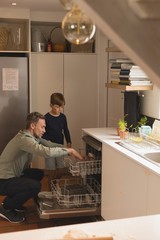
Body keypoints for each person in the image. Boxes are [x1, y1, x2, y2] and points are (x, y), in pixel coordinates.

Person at [0, 112, 83, 224]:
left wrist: (69, 149)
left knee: (37, 174)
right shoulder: (24, 139)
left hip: (12, 176)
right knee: (35, 186)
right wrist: (70, 151)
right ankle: (6, 208)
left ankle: (13, 202)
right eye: (42, 127)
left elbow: (49, 144)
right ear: (32, 126)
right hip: (3, 180)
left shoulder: (32, 137)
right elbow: (46, 151)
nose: (44, 130)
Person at [42, 93, 72, 179]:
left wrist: (69, 142)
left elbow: (66, 130)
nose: (60, 109)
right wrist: (48, 142)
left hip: (60, 146)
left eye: (61, 107)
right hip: (49, 148)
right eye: (57, 107)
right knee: (51, 169)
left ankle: (57, 184)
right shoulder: (46, 118)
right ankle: (51, 186)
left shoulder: (63, 117)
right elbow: (43, 134)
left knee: (61, 168)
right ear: (51, 105)